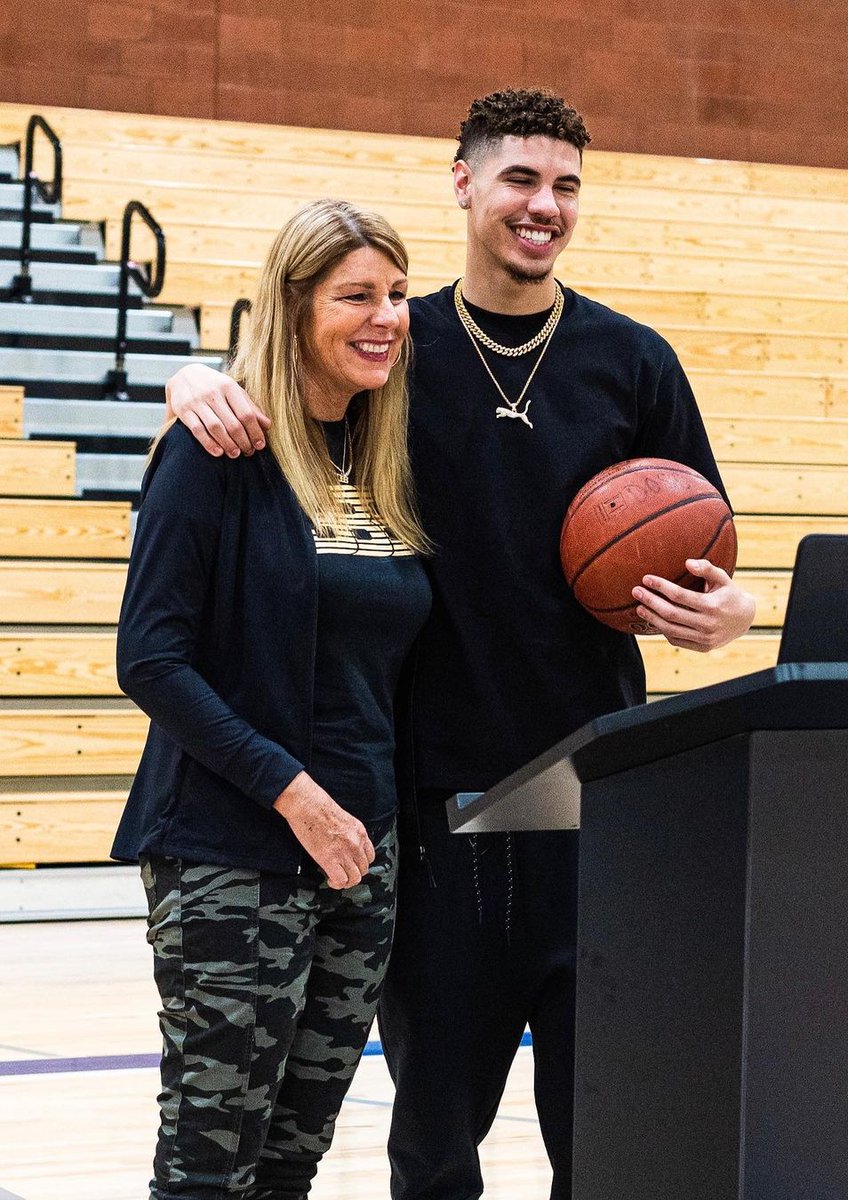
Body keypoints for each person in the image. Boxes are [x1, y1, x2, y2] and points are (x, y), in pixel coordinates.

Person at [164, 89, 756, 1200]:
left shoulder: (634, 362)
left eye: (566, 185)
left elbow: (710, 557)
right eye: (519, 178)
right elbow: (276, 396)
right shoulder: (395, 346)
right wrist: (191, 378)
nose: (544, 205)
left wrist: (735, 613)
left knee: (608, 1136)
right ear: (464, 183)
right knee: (434, 1147)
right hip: (432, 806)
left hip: (597, 797)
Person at [111, 198, 432, 1200]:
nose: (386, 317)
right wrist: (296, 794)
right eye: (356, 296)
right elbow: (150, 660)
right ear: (294, 308)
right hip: (232, 849)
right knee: (210, 1167)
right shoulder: (216, 450)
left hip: (361, 856)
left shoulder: (384, 460)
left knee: (293, 1163)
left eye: (398, 294)